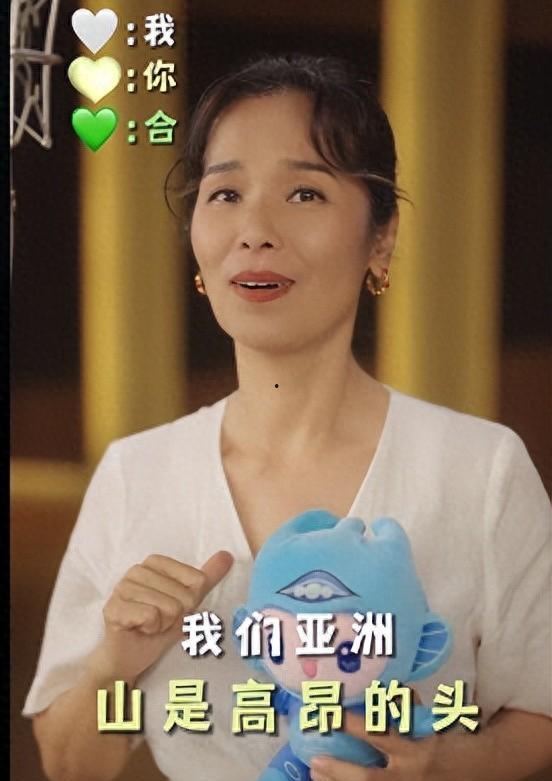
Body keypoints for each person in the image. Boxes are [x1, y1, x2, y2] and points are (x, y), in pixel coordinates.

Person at [23, 54, 551, 781]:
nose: (255, 230)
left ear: (382, 237)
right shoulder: (136, 474)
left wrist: (445, 764)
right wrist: (117, 660)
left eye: (304, 192)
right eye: (225, 193)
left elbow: (540, 711)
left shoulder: (480, 469)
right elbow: (68, 763)